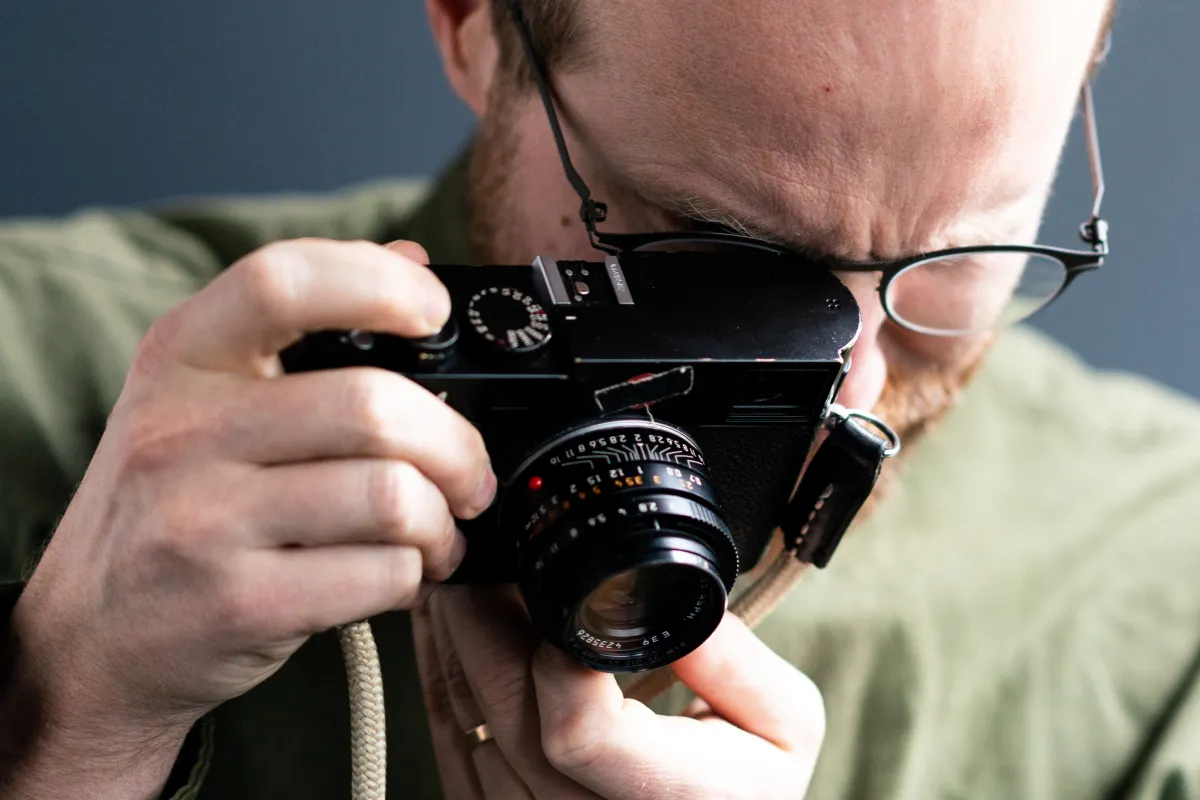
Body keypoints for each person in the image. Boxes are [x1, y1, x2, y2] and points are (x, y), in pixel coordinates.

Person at [1, 0, 1197, 797]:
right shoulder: (26, 370)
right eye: (724, 254)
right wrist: (66, 728)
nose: (853, 387)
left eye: (961, 258)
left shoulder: (1164, 588)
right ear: (479, 27)